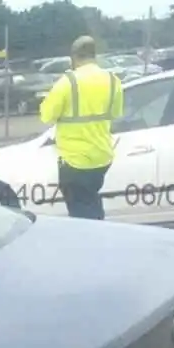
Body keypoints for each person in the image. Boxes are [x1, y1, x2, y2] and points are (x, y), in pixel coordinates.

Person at [38, 36, 124, 220]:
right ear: (94, 55)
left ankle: (91, 242)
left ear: (74, 57)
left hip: (74, 160)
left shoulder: (67, 82)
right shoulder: (112, 80)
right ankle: (99, 236)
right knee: (91, 200)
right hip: (102, 157)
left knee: (80, 211)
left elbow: (46, 115)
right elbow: (116, 113)